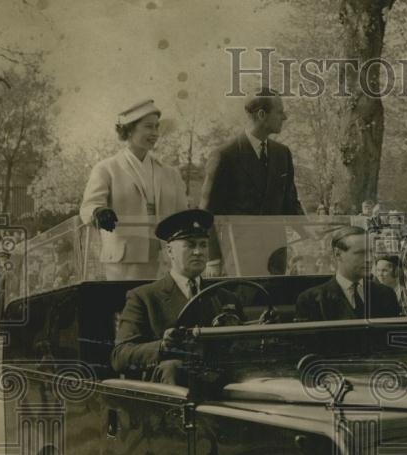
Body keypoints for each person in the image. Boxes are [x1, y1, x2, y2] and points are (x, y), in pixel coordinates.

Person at [111, 209, 241, 385]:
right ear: (169, 251)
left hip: (221, 383)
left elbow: (241, 347)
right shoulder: (144, 297)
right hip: (172, 389)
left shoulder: (226, 297)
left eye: (203, 245)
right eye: (190, 245)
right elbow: (120, 356)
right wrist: (162, 347)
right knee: (173, 368)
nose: (198, 252)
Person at [80, 99, 188, 281]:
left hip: (165, 260)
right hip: (124, 262)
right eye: (148, 127)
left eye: (156, 127)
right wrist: (98, 212)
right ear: (129, 130)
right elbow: (88, 206)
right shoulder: (106, 168)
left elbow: (183, 215)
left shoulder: (171, 173)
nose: (155, 133)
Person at [200, 89, 304, 273]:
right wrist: (213, 260)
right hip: (239, 259)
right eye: (280, 112)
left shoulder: (283, 154)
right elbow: (209, 213)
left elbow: (290, 204)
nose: (285, 117)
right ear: (262, 115)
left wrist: (311, 232)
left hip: (276, 258)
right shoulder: (225, 155)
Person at [295, 226, 400, 321]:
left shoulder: (386, 295)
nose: (369, 259)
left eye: (371, 252)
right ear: (338, 254)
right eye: (360, 253)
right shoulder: (312, 301)